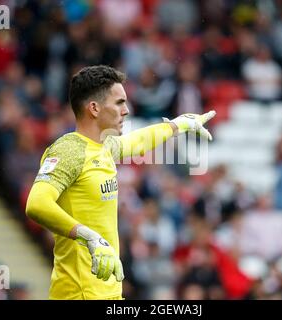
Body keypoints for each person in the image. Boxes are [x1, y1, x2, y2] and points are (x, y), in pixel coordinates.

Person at [25, 65, 215, 300]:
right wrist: (88, 236)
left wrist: (179, 125)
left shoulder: (104, 146)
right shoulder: (69, 150)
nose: (126, 110)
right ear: (94, 108)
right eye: (119, 103)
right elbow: (36, 204)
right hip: (79, 292)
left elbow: (137, 142)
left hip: (107, 291)